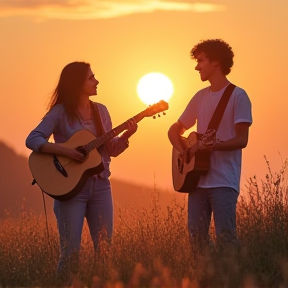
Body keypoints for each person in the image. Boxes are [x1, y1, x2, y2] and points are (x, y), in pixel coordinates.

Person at [25, 61, 138, 284]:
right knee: (70, 254)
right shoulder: (59, 112)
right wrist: (64, 150)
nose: (97, 81)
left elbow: (110, 150)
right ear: (77, 83)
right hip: (70, 188)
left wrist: (126, 136)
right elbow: (33, 139)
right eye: (91, 78)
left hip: (101, 186)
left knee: (105, 252)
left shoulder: (101, 111)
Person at [168, 39, 252, 250]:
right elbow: (173, 130)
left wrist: (215, 146)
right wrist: (185, 152)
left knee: (226, 238)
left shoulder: (238, 96)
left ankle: (234, 277)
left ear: (216, 62)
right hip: (197, 182)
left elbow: (242, 140)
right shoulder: (199, 97)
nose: (197, 66)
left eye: (201, 61)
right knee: (196, 241)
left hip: (224, 181)